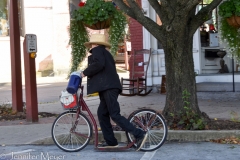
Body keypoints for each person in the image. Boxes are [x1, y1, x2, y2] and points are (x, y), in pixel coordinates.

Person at [81, 34, 148, 151]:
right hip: (108, 87)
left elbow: (98, 64)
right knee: (102, 113)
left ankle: (139, 134)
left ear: (95, 44)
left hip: (109, 87)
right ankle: (111, 142)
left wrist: (83, 73)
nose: (91, 46)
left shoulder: (97, 50)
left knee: (114, 114)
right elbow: (101, 66)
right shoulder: (104, 52)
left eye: (92, 44)